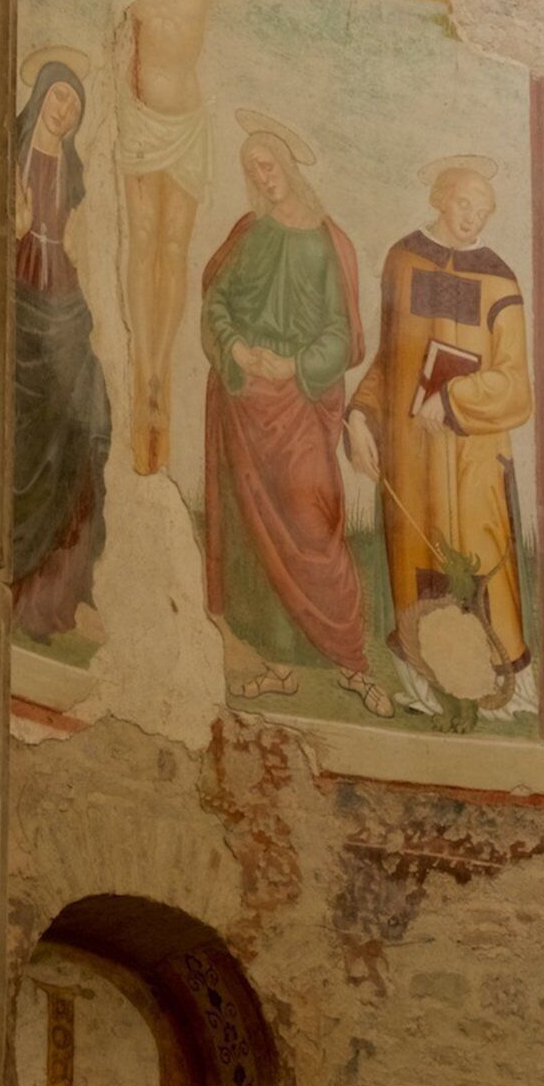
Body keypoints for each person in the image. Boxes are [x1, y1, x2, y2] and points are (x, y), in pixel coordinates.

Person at [23, 0, 394, 477]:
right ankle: (148, 370)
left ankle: (161, 356)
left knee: (171, 245)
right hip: (137, 119)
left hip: (186, 124)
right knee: (140, 241)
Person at [198, 115, 408, 715]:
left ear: (289, 166)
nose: (263, 177)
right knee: (249, 530)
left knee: (312, 522)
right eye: (252, 169)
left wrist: (291, 368)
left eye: (270, 164)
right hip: (243, 399)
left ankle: (351, 661)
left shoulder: (326, 240)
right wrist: (237, 349)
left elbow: (342, 336)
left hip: (297, 401)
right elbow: (217, 300)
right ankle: (277, 665)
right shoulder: (248, 232)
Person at [353, 157, 534, 719]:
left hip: (473, 455)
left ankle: (498, 687)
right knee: (416, 563)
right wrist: (359, 415)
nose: (472, 217)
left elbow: (515, 384)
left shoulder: (499, 278)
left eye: (483, 210)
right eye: (463, 203)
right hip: (411, 453)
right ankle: (426, 684)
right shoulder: (404, 260)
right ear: (439, 197)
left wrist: (452, 400)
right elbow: (392, 355)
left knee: (479, 563)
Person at [10, 53, 110, 646]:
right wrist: (18, 227)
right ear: (41, 95)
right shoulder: (13, 154)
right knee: (26, 439)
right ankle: (14, 577)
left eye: (74, 101)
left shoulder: (77, 173)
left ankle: (59, 590)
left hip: (64, 296)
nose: (64, 107)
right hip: (21, 284)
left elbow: (84, 238)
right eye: (57, 95)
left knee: (86, 421)